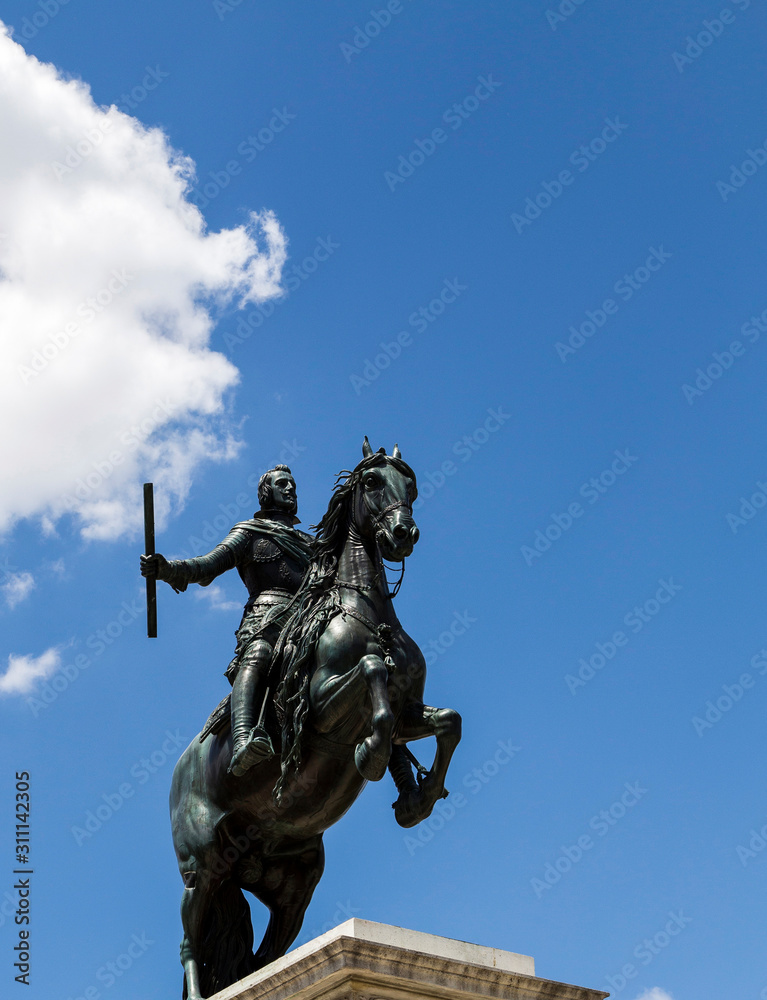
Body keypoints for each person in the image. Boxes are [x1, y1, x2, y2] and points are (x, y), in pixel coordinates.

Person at [140, 465, 313, 777]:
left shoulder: (310, 545)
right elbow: (208, 565)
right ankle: (244, 740)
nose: (291, 489)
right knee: (259, 654)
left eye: (293, 484)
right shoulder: (249, 533)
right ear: (267, 493)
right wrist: (168, 569)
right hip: (267, 618)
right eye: (283, 484)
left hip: (309, 619)